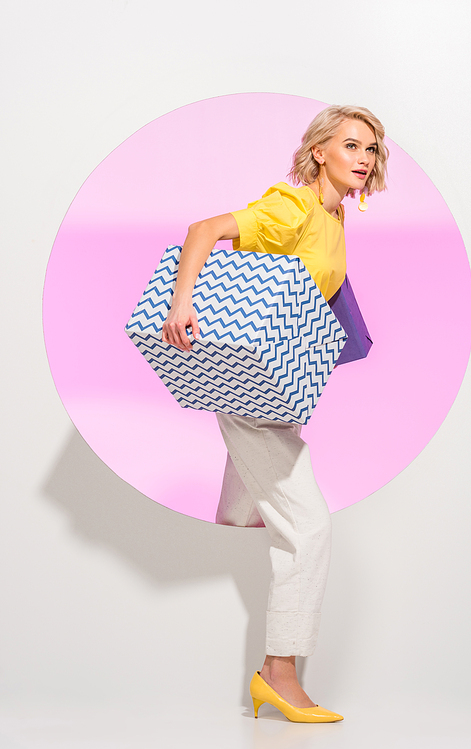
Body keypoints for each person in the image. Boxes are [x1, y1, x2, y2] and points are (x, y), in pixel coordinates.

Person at [162, 105, 389, 722]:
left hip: (273, 389)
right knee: (309, 527)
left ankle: (250, 664)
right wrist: (182, 305)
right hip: (247, 389)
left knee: (241, 518)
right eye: (352, 146)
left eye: (372, 149)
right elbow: (203, 229)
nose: (364, 159)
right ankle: (279, 673)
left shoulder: (334, 217)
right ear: (320, 151)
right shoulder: (293, 208)